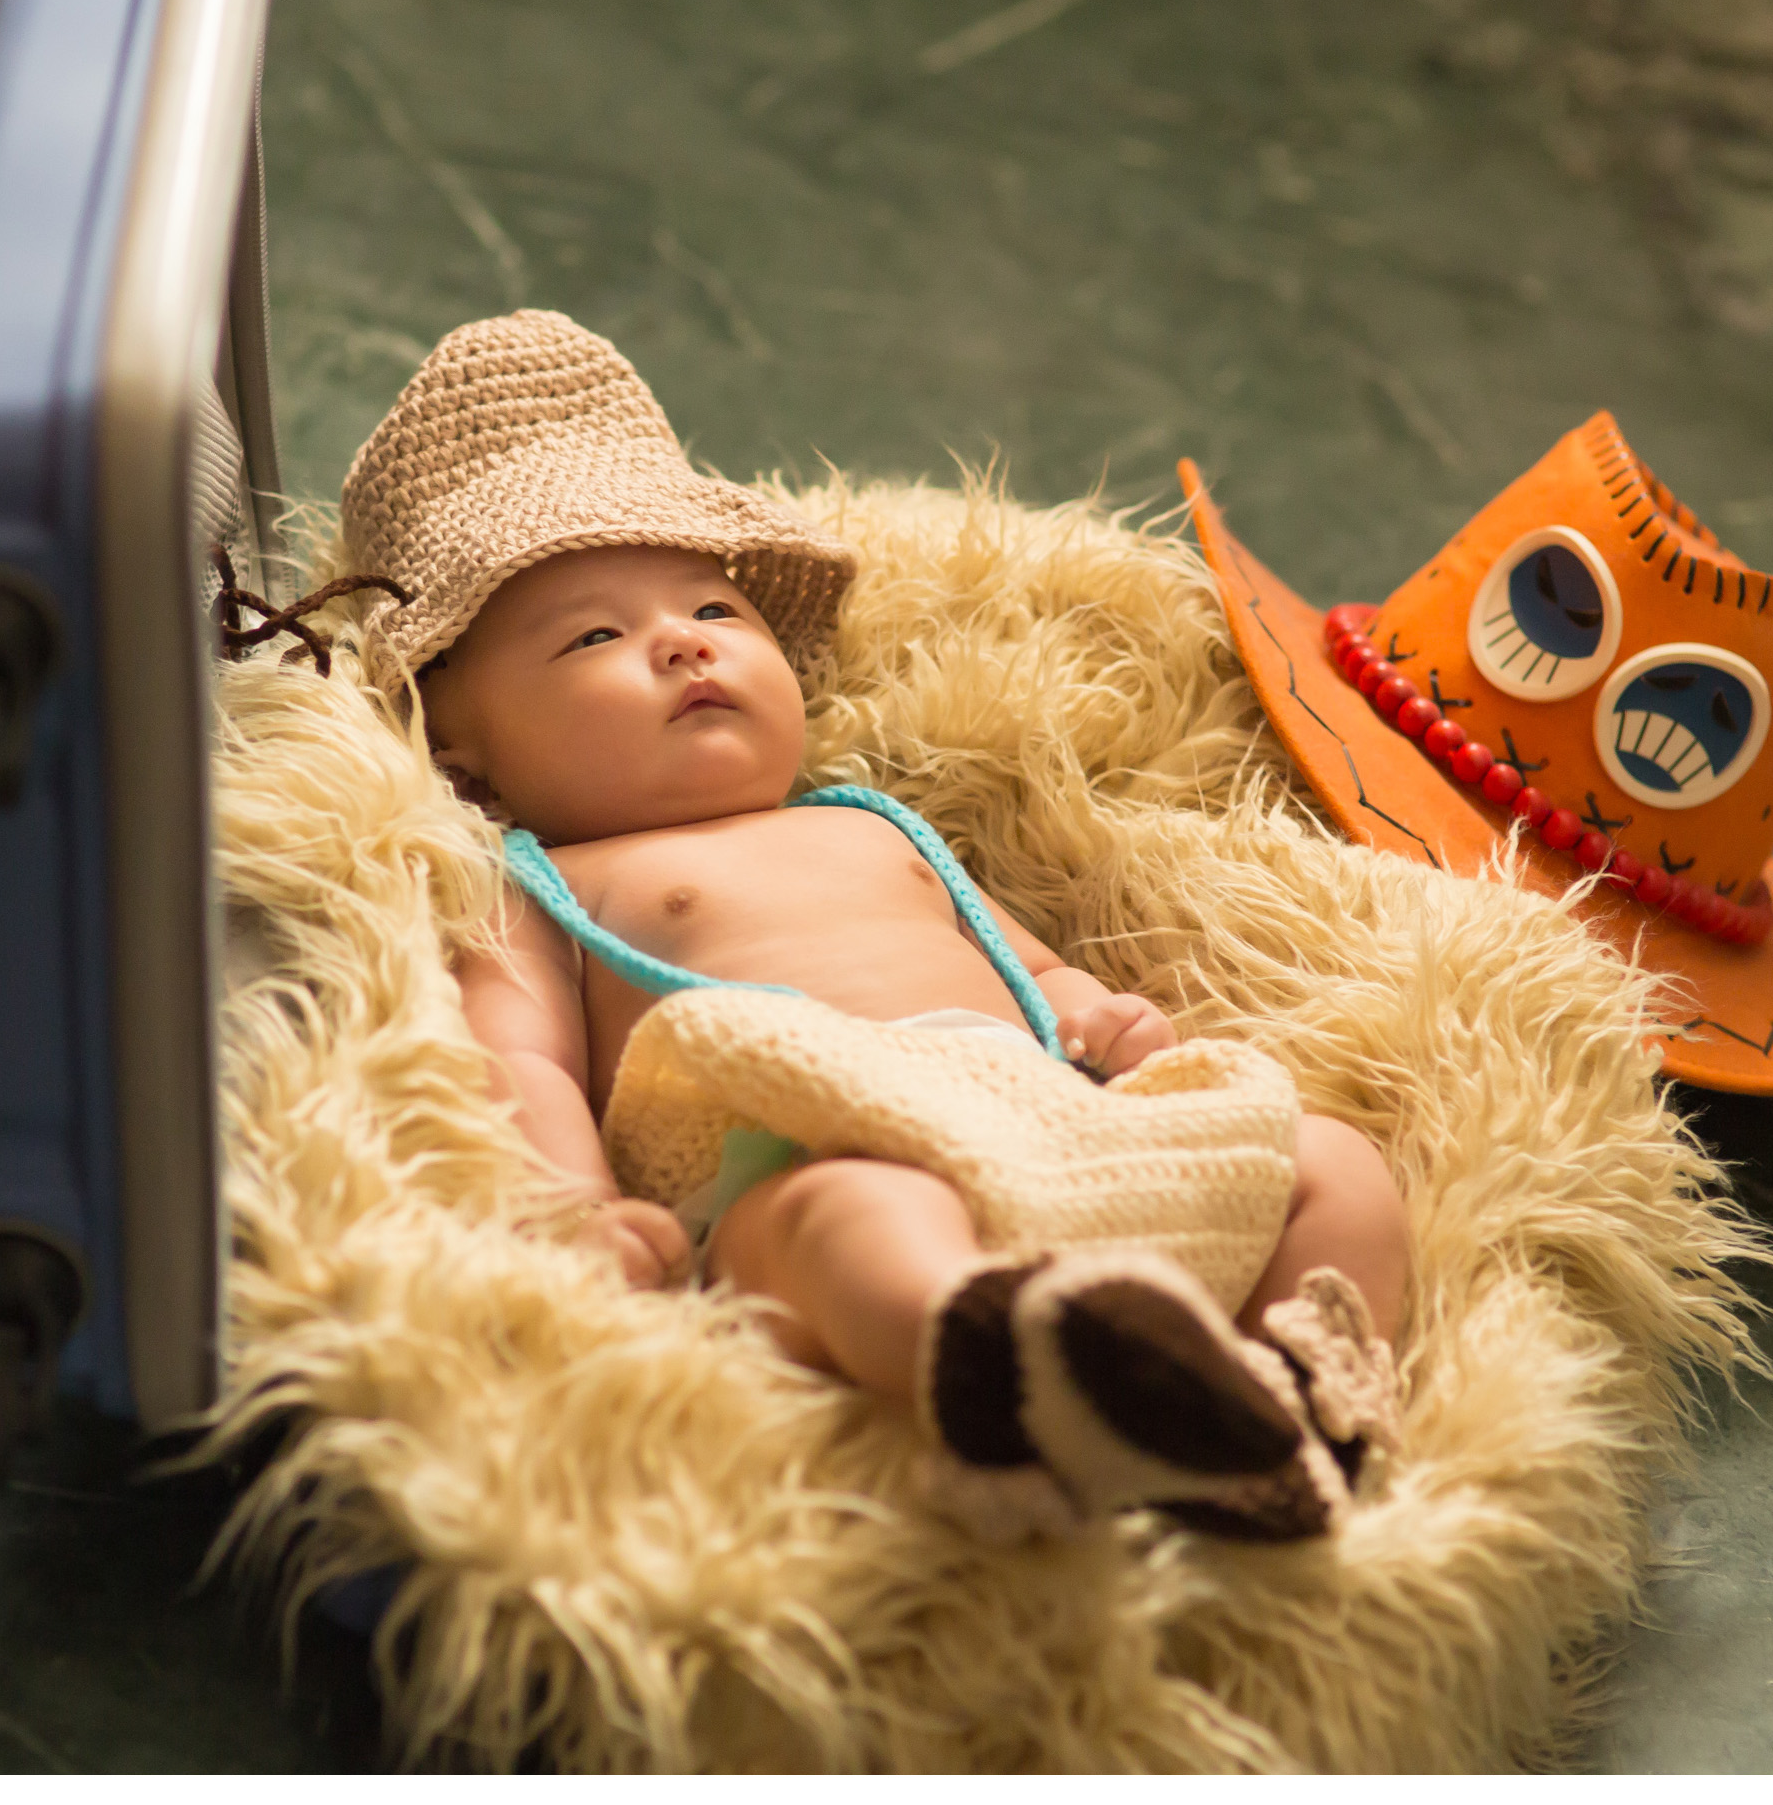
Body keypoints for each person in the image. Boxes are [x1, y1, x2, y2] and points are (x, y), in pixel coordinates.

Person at [339, 311, 1409, 1539]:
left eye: (715, 608)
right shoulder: (543, 879)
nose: (681, 640)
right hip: (796, 1150)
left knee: (1328, 1160)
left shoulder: (870, 821)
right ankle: (999, 1359)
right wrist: (577, 1208)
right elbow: (518, 1058)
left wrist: (1097, 1019)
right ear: (463, 758)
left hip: (1050, 1125)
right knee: (845, 1222)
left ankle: (1282, 1399)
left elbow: (1026, 964)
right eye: (594, 635)